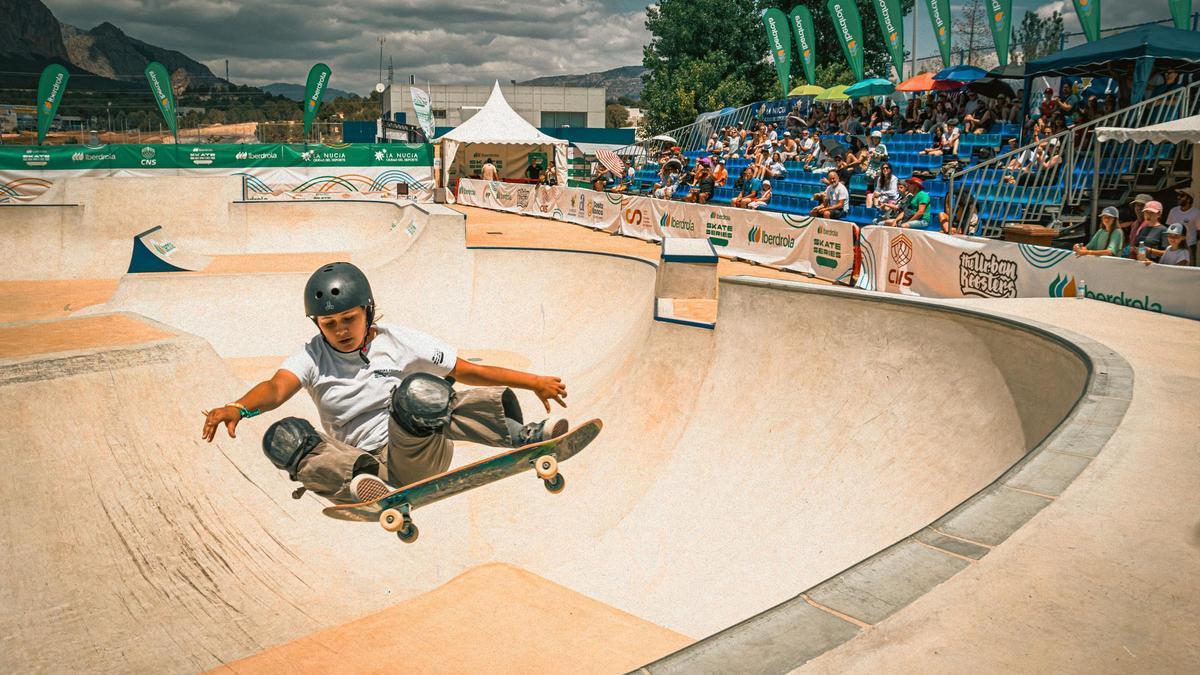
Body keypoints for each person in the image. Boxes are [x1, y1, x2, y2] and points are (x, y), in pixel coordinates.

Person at [201, 262, 572, 504]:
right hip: (357, 467)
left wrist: (534, 381)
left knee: (418, 393)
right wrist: (239, 407)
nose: (341, 331)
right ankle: (360, 485)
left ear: (368, 310)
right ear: (317, 324)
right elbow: (275, 388)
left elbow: (465, 371)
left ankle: (522, 436)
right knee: (283, 438)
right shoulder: (312, 356)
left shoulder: (401, 342)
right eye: (330, 325)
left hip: (415, 453)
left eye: (349, 319)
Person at [1165, 188, 1197, 264]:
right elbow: (1169, 228)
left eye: (1182, 195)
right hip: (1174, 244)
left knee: (1190, 270)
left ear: (1189, 199)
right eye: (1178, 195)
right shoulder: (1173, 211)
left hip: (1190, 246)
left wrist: (1189, 241)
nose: (1178, 197)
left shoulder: (1196, 212)